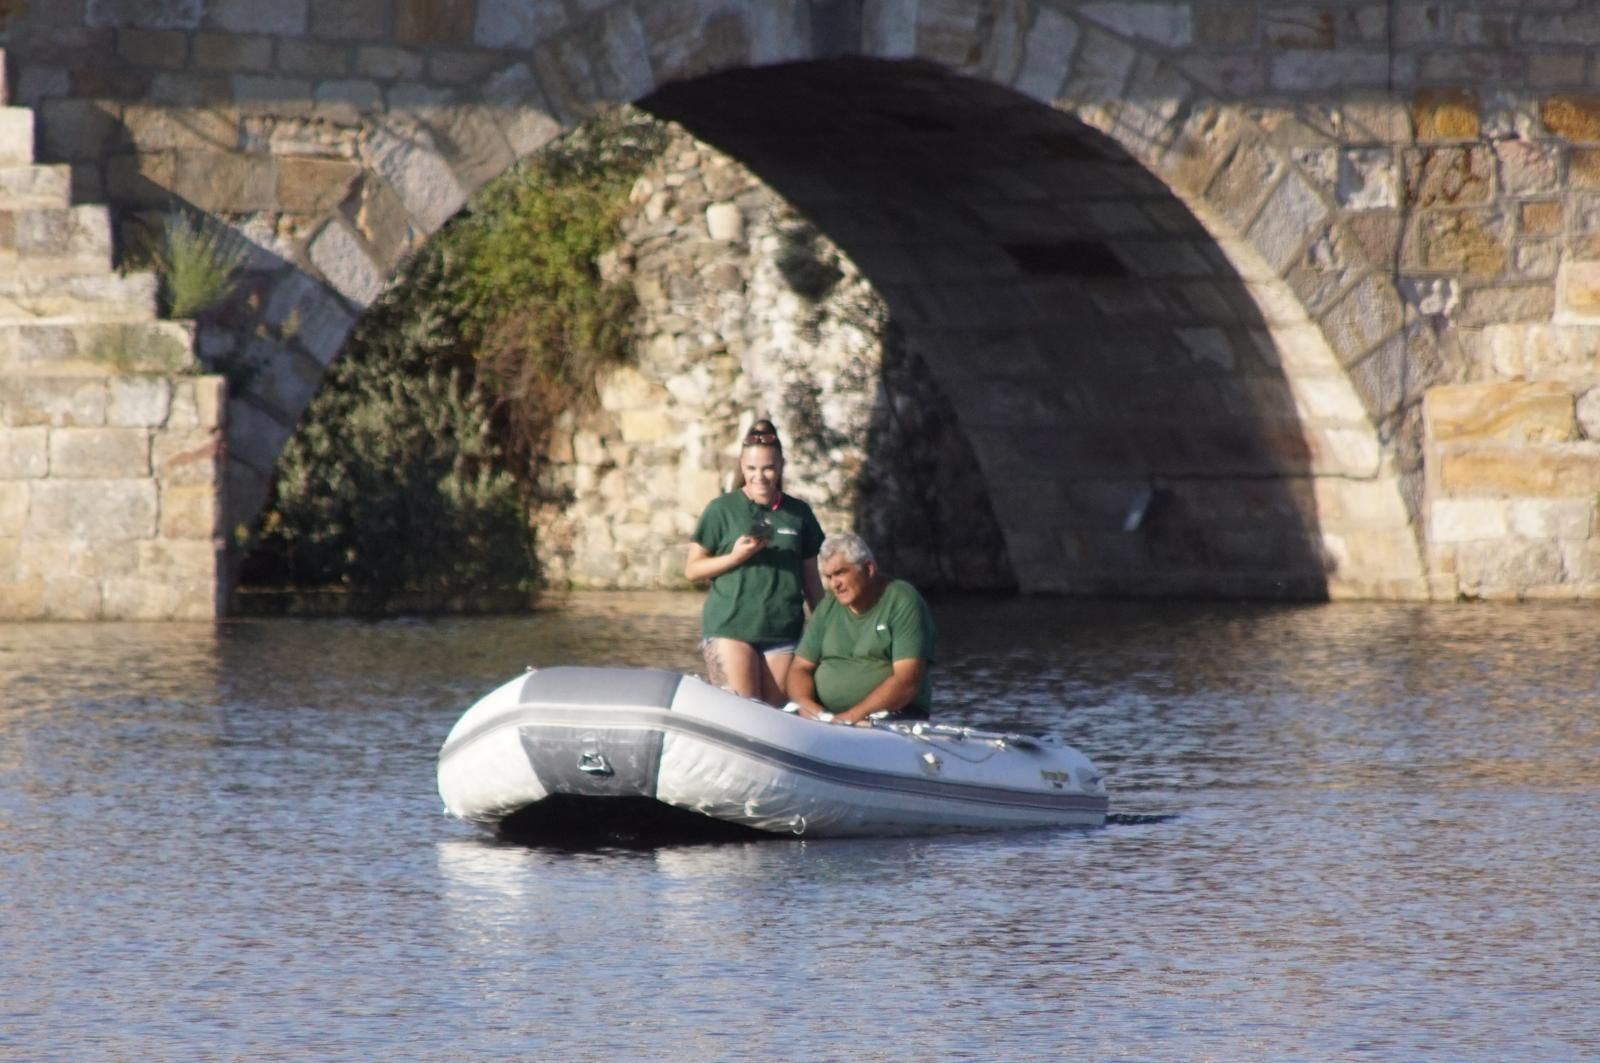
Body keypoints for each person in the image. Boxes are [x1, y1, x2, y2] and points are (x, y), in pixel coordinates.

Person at [686, 419, 825, 705]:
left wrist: (828, 630)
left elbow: (812, 581)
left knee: (775, 716)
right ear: (742, 466)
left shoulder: (799, 513)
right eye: (751, 469)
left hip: (783, 631)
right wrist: (736, 557)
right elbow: (692, 570)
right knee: (744, 710)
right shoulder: (721, 509)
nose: (759, 476)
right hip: (730, 628)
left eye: (768, 468)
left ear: (781, 466)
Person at [786, 532, 937, 725]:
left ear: (868, 569)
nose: (834, 584)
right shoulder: (829, 606)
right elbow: (800, 668)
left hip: (889, 717)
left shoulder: (903, 601)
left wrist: (852, 716)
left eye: (840, 573)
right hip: (827, 719)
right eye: (829, 577)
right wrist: (807, 705)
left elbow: (907, 680)